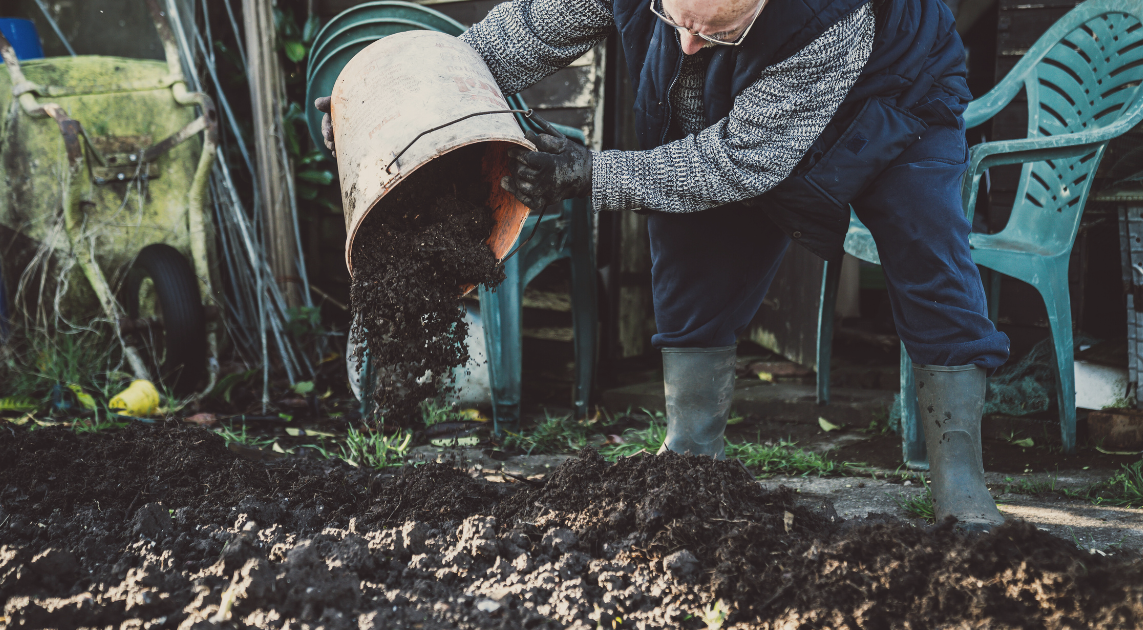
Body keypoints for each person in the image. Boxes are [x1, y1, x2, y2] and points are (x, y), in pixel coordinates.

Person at [317, 0, 1010, 530]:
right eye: (674, 18)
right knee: (689, 242)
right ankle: (692, 456)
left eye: (716, 32)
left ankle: (959, 480)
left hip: (892, 101)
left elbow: (736, 162)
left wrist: (591, 175)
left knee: (929, 251)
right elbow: (511, 41)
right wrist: (401, 102)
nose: (686, 44)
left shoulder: (832, 17)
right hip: (738, 113)